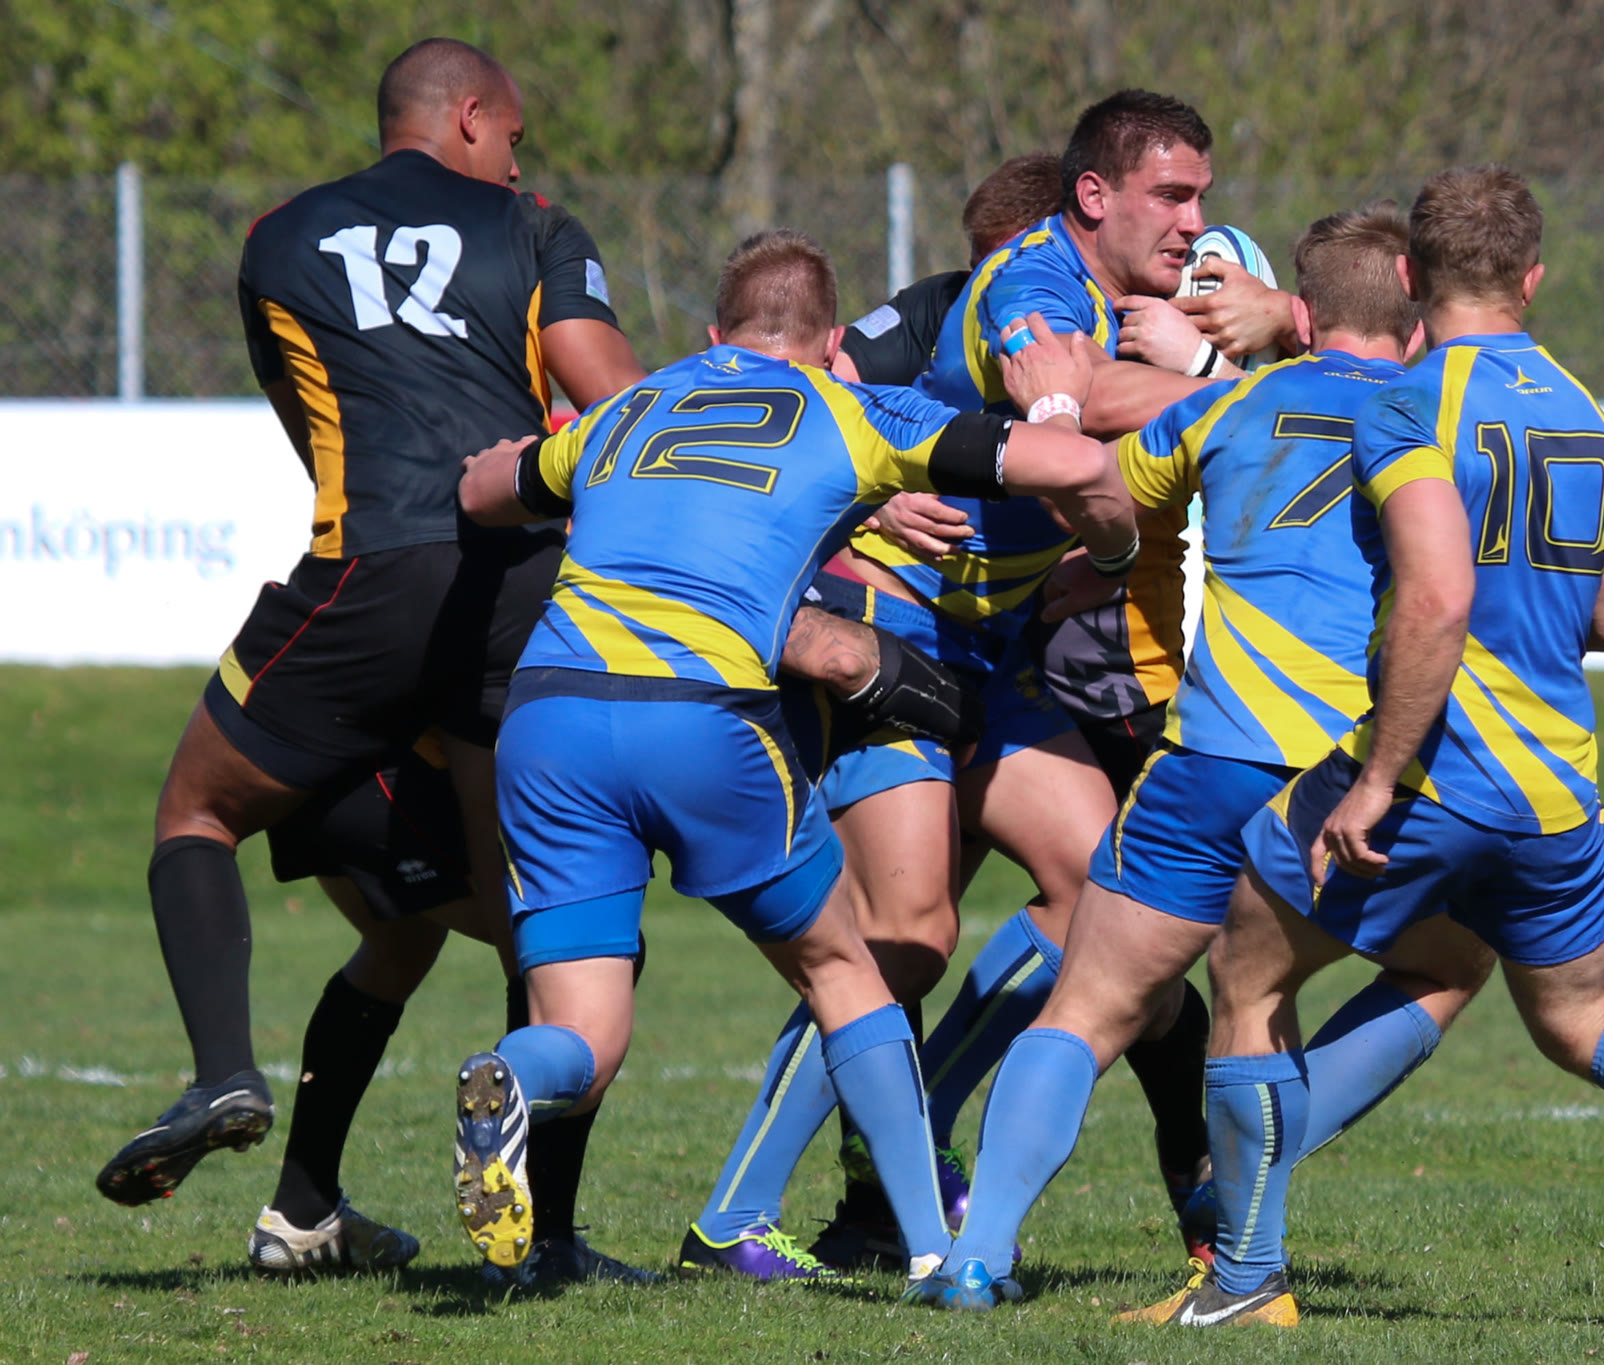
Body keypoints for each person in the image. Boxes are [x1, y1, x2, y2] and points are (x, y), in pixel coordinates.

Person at [1132, 164, 1604, 1330]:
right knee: (1584, 1019)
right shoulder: (1583, 411)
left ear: (1409, 276)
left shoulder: (1407, 403)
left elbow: (1435, 596)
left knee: (1247, 968)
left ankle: (1244, 1282)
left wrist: (1377, 779)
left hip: (1433, 768)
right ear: (1532, 280)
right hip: (1554, 786)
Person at [445, 230, 1140, 1290]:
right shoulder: (850, 409)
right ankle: (930, 1248)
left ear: (712, 333)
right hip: (700, 714)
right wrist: (1095, 508)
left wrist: (500, 468)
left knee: (582, 1035)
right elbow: (1076, 463)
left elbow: (486, 491)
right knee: (844, 968)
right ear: (827, 342)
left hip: (549, 718)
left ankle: (507, 1074)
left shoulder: (627, 408)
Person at [94, 38, 645, 1264]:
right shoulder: (535, 230)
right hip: (517, 586)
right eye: (513, 137)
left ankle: (224, 1078)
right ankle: (535, 1239)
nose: (519, 163)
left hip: (373, 579)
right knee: (539, 922)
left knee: (197, 813)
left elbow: (316, 426)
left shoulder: (278, 237)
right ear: (469, 116)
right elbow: (617, 404)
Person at [908, 206, 1499, 1311]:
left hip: (1203, 759)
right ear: (1416, 323)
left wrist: (1103, 557)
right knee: (1450, 961)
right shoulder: (1432, 416)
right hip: (1332, 777)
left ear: (1303, 314)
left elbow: (1097, 489)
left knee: (1085, 1010)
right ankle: (1243, 1195)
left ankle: (977, 1255)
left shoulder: (1224, 405)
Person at [690, 91, 1231, 1281]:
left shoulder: (1130, 302)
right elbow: (1078, 410)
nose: (1193, 221)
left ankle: (910, 1120)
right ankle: (730, 1218)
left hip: (993, 645)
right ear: (1093, 195)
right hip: (889, 626)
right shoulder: (1031, 286)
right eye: (1171, 196)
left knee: (1104, 895)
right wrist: (1240, 385)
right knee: (907, 932)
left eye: (1200, 197)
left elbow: (1102, 465)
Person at [833, 154, 1064, 389]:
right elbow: (831, 378)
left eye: (1002, 277)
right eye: (978, 272)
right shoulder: (941, 300)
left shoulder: (1082, 330)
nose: (983, 291)